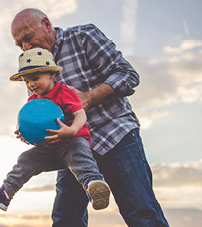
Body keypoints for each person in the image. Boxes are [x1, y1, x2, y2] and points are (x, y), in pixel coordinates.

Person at [11, 8, 170, 227]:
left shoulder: (83, 36)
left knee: (141, 215)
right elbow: (40, 112)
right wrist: (30, 131)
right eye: (20, 45)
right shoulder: (31, 66)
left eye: (28, 38)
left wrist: (89, 97)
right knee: (65, 221)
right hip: (72, 150)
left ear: (47, 25)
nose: (26, 47)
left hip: (116, 136)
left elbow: (128, 75)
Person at [0, 48, 111, 212]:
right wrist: (25, 133)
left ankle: (93, 186)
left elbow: (80, 114)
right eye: (26, 81)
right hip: (49, 147)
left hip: (71, 141)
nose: (30, 84)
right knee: (25, 159)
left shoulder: (64, 92)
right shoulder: (33, 100)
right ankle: (5, 194)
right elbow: (32, 123)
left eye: (35, 78)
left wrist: (72, 130)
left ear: (52, 74)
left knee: (79, 155)